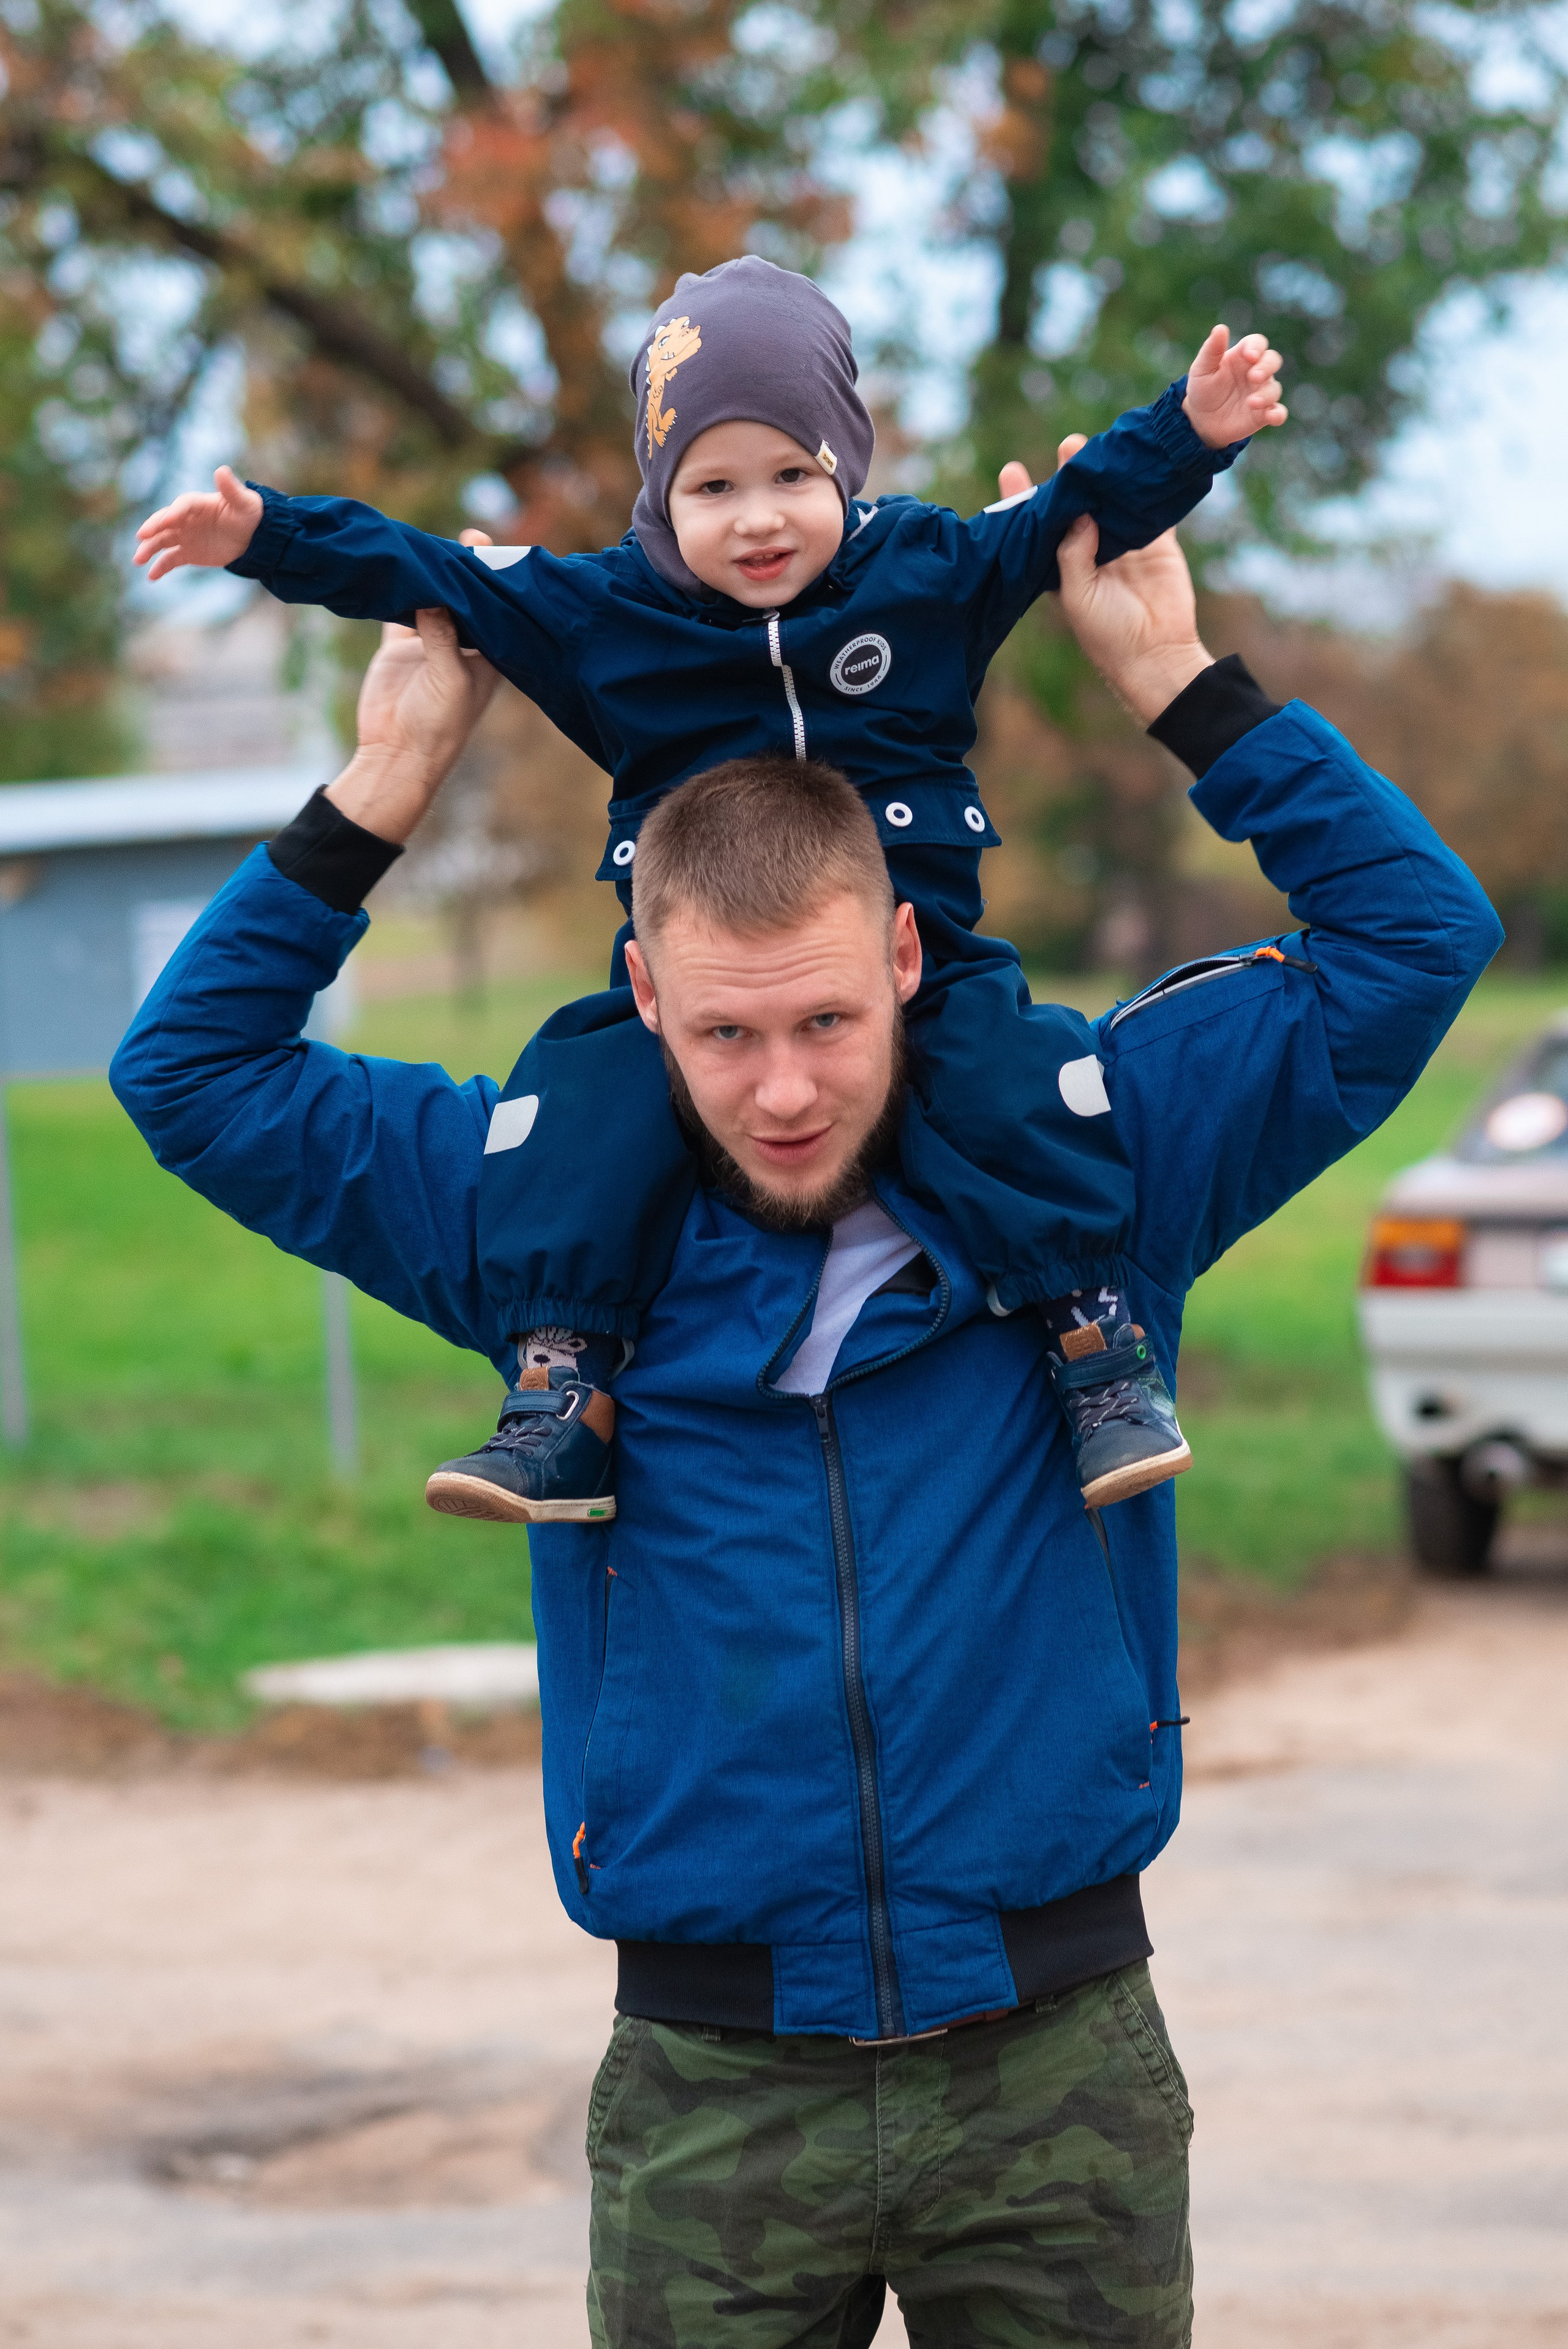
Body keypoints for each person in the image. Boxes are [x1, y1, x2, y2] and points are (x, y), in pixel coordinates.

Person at [111, 503, 1500, 2345]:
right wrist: (381, 782)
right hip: (712, 2091)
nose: (783, 1091)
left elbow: (1417, 938)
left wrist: (1178, 681)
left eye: (831, 1021)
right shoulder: (538, 1229)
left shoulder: (1099, 1159)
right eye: (726, 1037)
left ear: (911, 963)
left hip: (1055, 2074)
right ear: (644, 1001)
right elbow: (189, 1072)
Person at [131, 256, 1289, 1524]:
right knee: (578, 1101)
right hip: (684, 978)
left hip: (920, 962)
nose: (758, 520)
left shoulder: (925, 575)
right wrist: (264, 539)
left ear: (845, 464)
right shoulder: (603, 614)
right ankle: (563, 1388)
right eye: (712, 487)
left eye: (793, 476)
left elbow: (1074, 507)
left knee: (1012, 1076)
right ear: (657, 495)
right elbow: (429, 571)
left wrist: (1192, 433)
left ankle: (1093, 1346)